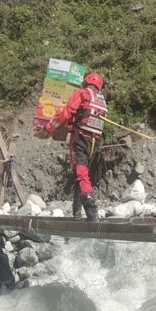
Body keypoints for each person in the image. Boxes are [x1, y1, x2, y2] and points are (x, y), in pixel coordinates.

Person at [35, 72, 108, 222]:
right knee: (81, 174)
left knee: (81, 174)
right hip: (93, 143)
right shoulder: (101, 101)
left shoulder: (82, 93)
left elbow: (65, 113)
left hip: (80, 139)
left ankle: (91, 212)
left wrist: (48, 129)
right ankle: (77, 213)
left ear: (86, 82)